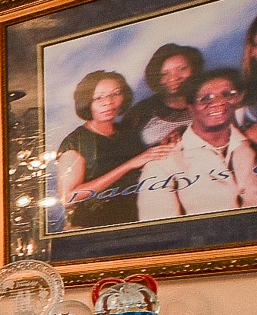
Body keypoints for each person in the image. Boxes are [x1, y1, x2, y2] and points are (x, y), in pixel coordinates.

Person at [52, 71, 172, 229]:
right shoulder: (76, 143)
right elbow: (68, 197)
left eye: (116, 94)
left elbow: (144, 162)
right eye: (98, 97)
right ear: (86, 101)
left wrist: (164, 145)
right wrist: (129, 165)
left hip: (141, 213)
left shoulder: (128, 131)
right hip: (99, 223)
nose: (108, 102)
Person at [135, 69, 257, 219]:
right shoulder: (162, 164)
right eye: (206, 98)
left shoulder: (250, 145)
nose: (219, 102)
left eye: (228, 94)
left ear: (238, 100)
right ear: (190, 106)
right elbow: (158, 233)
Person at [130, 43, 204, 146]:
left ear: (194, 69)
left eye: (182, 69)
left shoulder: (209, 100)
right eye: (165, 74)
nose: (174, 78)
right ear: (157, 78)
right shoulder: (141, 112)